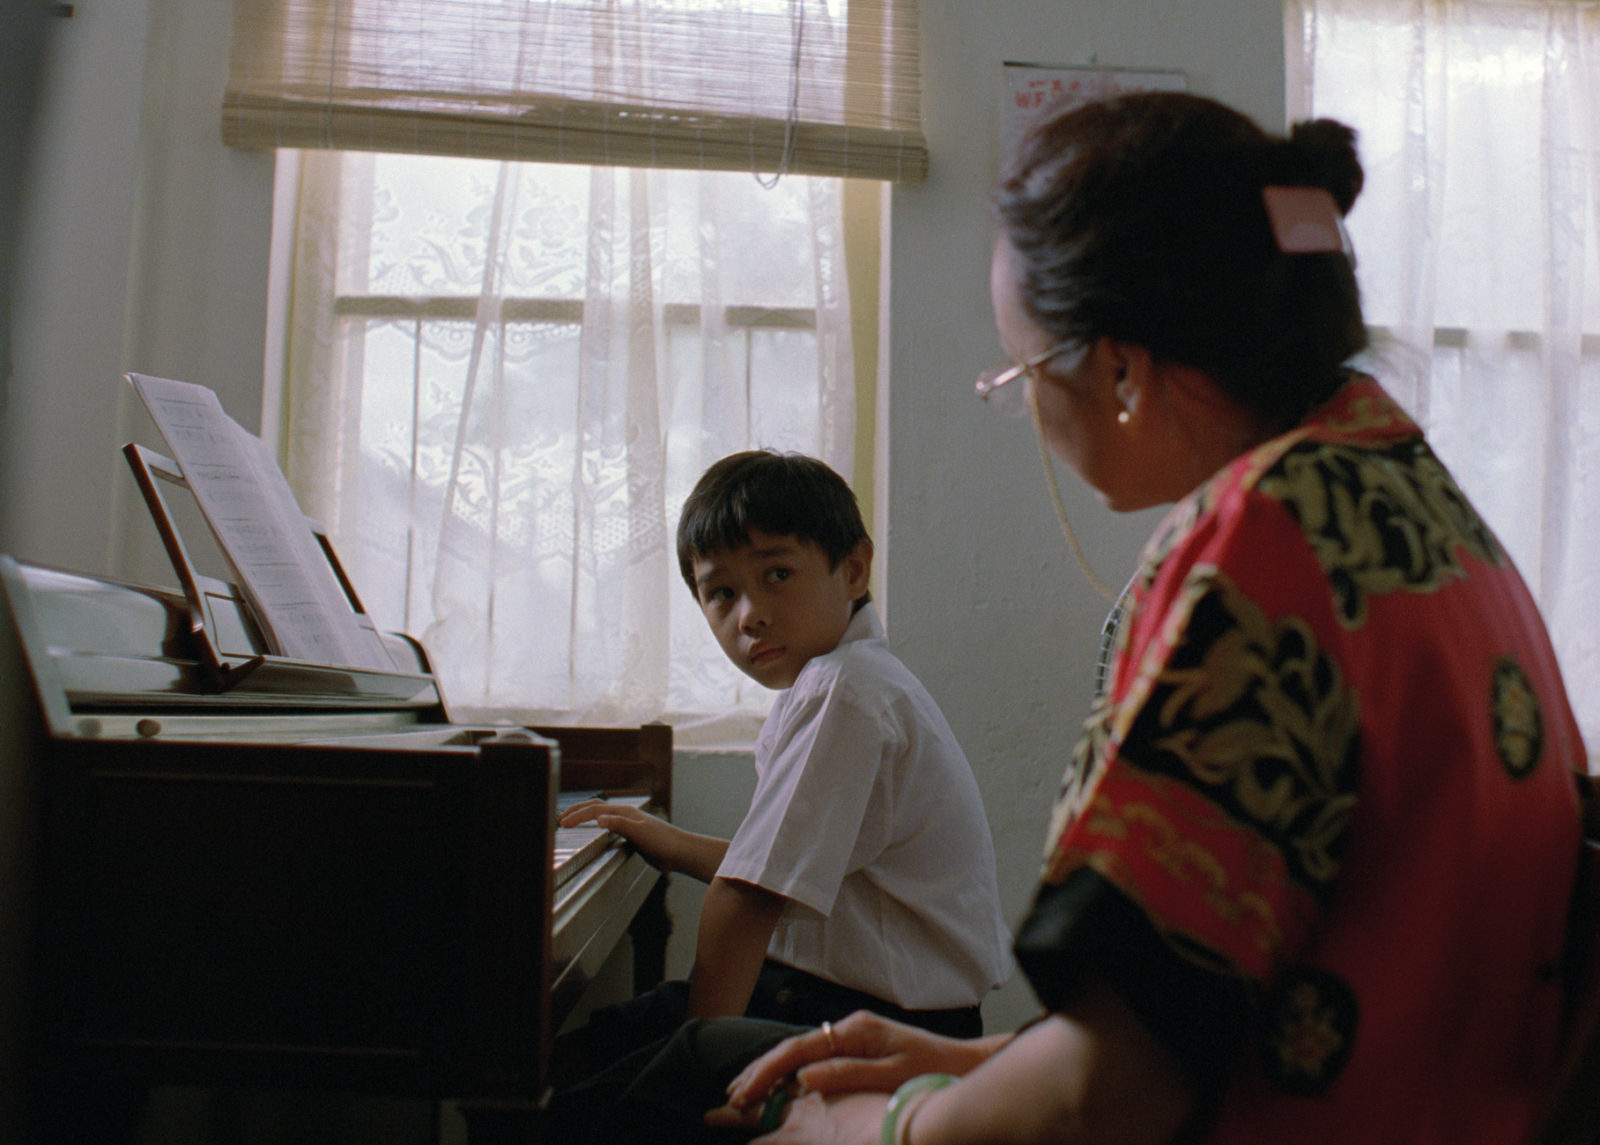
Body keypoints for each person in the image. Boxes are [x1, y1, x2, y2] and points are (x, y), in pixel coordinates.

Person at [676, 91, 1589, 1145]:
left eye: (1020, 371)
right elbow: (1220, 1006)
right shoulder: (1407, 490)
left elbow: (1110, 1097)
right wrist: (977, 1059)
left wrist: (875, 1127)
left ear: (1114, 369)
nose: (1024, 407)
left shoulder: (1256, 553)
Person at [551, 450, 1012, 1089]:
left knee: (583, 1102)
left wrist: (700, 1060)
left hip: (870, 1022)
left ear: (852, 571)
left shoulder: (844, 693)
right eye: (721, 593)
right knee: (569, 1062)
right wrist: (676, 845)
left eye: (776, 574)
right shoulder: (841, 681)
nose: (751, 615)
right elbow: (785, 868)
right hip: (825, 995)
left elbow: (750, 897)